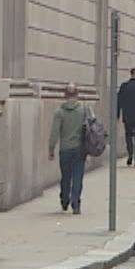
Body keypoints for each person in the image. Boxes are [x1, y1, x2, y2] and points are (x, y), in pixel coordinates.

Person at [47, 83, 91, 214]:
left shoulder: (59, 112)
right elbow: (91, 125)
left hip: (65, 149)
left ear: (64, 95)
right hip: (79, 148)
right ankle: (75, 203)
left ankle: (64, 199)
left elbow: (54, 132)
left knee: (65, 176)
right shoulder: (83, 109)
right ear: (77, 94)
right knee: (78, 176)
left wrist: (51, 149)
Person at [116, 68, 135, 167]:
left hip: (127, 115)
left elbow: (118, 100)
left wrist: (117, 114)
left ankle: (130, 154)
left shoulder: (124, 86)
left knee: (128, 136)